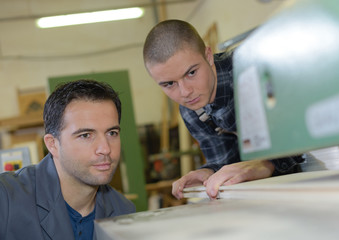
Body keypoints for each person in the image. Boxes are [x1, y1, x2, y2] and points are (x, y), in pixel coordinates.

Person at [143, 19, 303, 200]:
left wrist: (267, 163)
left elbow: (304, 125)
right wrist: (210, 172)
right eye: (169, 84)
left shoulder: (254, 67)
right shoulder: (191, 110)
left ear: (208, 55)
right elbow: (227, 162)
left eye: (191, 73)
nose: (185, 92)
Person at [0, 80, 135, 240]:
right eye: (85, 135)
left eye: (111, 133)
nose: (105, 149)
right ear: (53, 144)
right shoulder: (6, 198)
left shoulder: (124, 212)